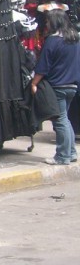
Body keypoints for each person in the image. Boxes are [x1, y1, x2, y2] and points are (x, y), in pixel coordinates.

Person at [31, 9, 80, 165]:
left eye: (47, 21)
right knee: (65, 119)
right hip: (72, 85)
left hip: (57, 86)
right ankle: (71, 152)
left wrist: (34, 83)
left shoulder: (53, 41)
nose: (46, 24)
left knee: (60, 121)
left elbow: (43, 66)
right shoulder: (74, 39)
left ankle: (62, 156)